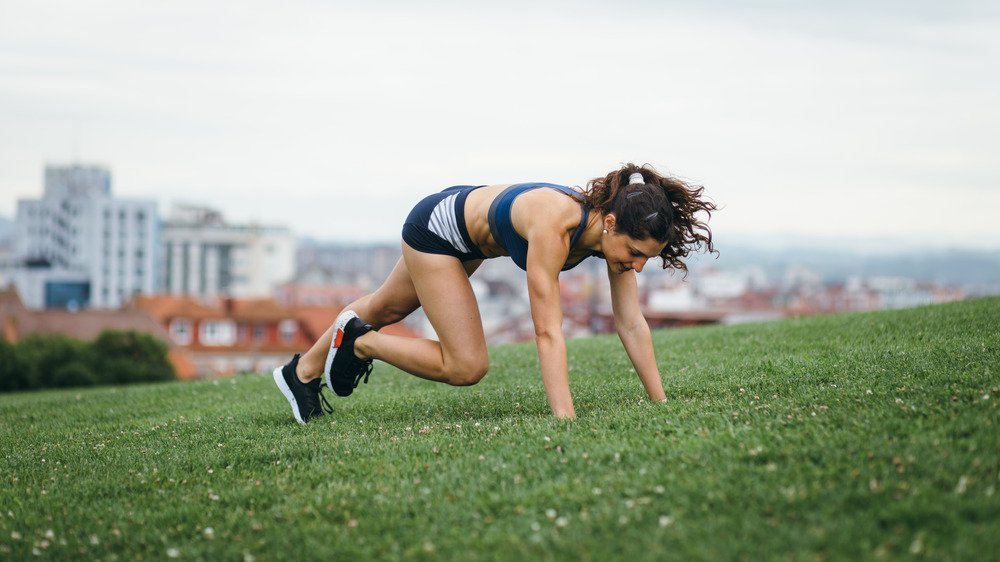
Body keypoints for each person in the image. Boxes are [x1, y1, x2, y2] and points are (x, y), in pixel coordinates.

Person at [273, 163, 716, 423]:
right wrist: (566, 420)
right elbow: (547, 331)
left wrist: (660, 404)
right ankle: (361, 342)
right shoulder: (556, 224)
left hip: (462, 230)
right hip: (438, 229)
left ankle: (302, 374)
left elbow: (631, 322)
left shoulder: (612, 237)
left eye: (646, 260)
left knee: (382, 306)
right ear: (614, 223)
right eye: (636, 254)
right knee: (467, 365)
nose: (636, 266)